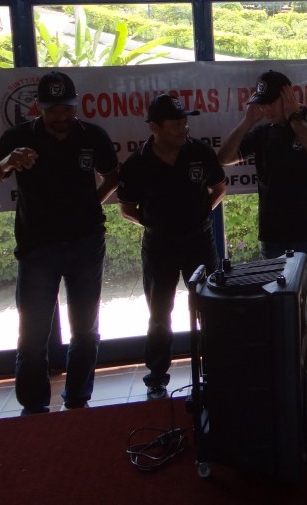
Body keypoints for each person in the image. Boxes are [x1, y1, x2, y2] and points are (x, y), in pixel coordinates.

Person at [0, 70, 119, 414]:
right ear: (38, 107)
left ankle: (78, 399)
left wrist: (91, 204)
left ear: (75, 105)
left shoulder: (92, 135)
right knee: (33, 335)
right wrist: (5, 164)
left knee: (86, 331)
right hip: (37, 249)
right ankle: (34, 407)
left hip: (86, 244)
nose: (61, 116)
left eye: (67, 108)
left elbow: (112, 176)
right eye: (53, 110)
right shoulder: (18, 138)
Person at [218, 70, 307, 393]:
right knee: (282, 308)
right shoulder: (261, 133)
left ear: (288, 96)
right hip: (275, 238)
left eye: (270, 103)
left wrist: (295, 119)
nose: (265, 109)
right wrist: (247, 122)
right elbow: (223, 158)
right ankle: (289, 366)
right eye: (261, 103)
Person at [117, 94, 227, 400]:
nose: (184, 128)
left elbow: (219, 188)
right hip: (160, 246)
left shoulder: (200, 152)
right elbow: (126, 208)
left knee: (210, 307)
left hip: (199, 241)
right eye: (175, 124)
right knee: (159, 314)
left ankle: (216, 370)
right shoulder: (138, 163)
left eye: (184, 122)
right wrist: (156, 223)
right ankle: (156, 377)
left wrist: (201, 213)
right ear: (155, 127)